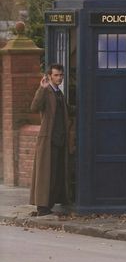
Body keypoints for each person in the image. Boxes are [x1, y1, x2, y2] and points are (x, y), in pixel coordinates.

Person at [30, 63, 71, 216]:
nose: (59, 78)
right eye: (56, 75)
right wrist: (41, 88)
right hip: (48, 139)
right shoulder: (46, 91)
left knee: (56, 173)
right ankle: (42, 207)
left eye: (61, 75)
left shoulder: (59, 93)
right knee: (45, 173)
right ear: (49, 76)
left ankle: (51, 203)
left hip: (60, 139)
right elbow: (34, 107)